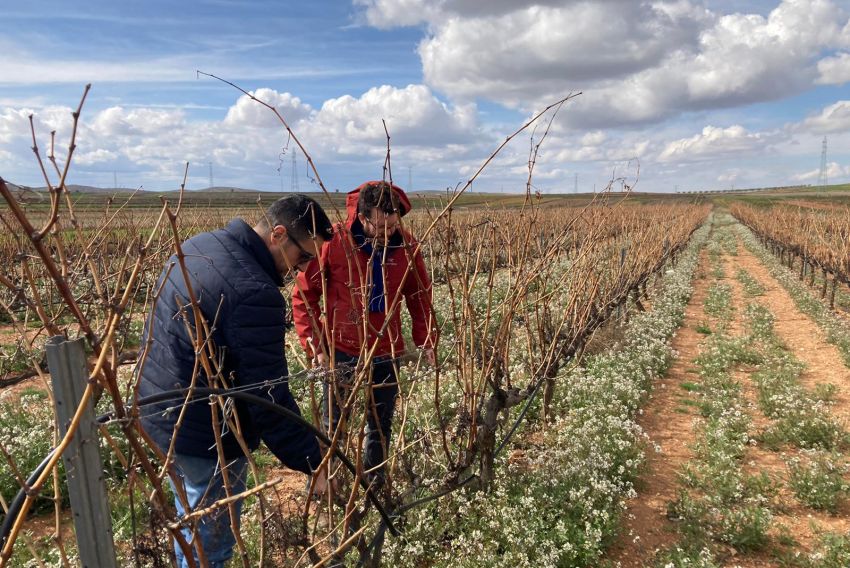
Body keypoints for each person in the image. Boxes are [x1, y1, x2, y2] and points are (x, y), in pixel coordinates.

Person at [137, 194, 334, 568]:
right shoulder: (254, 291)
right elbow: (268, 398)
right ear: (278, 234)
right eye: (304, 257)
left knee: (192, 515)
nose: (301, 270)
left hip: (160, 409)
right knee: (211, 544)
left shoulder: (199, 245)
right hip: (203, 432)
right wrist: (315, 462)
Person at [292, 181, 437, 487]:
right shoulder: (334, 243)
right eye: (381, 225)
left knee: (380, 425)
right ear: (361, 217)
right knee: (334, 425)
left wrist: (427, 340)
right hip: (341, 349)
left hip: (387, 349)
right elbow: (304, 296)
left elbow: (420, 297)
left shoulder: (407, 247)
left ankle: (375, 485)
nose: (388, 231)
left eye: (394, 223)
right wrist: (316, 347)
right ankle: (323, 485)